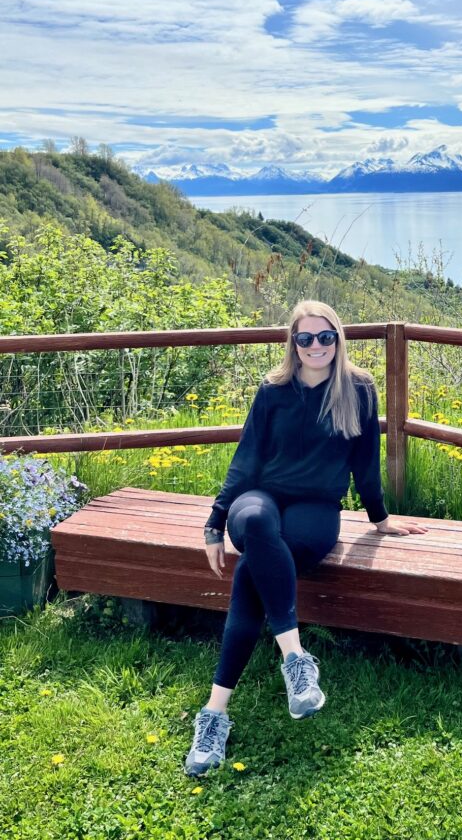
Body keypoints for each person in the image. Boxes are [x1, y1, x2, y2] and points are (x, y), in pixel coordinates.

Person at [185, 299, 426, 776]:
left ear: (339, 339)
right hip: (261, 498)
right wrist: (215, 521)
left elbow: (365, 463)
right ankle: (295, 660)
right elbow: (246, 457)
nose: (316, 346)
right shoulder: (273, 389)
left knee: (254, 571)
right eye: (306, 338)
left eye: (325, 336)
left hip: (317, 511)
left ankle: (215, 713)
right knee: (254, 526)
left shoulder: (358, 389)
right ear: (292, 343)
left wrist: (378, 519)